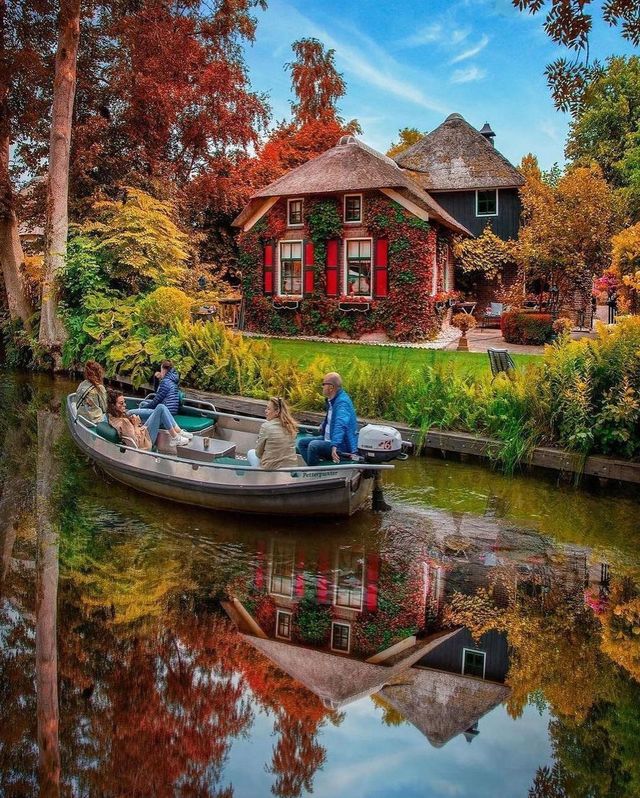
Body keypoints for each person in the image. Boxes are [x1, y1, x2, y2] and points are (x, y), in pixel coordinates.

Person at [297, 372, 358, 466]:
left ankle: (313, 474)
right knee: (302, 443)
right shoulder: (333, 400)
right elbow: (331, 419)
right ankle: (315, 467)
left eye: (323, 384)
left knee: (313, 445)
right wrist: (323, 425)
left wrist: (335, 445)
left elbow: (340, 424)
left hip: (341, 444)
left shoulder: (342, 403)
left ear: (331, 387)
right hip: (329, 439)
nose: (322, 387)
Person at [106, 389, 189, 448]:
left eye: (124, 402)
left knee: (161, 409)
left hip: (142, 433)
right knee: (160, 408)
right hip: (145, 441)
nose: (124, 405)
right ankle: (176, 436)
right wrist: (135, 424)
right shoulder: (123, 422)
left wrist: (134, 422)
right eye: (121, 403)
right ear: (113, 406)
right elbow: (136, 441)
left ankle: (178, 432)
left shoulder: (112, 416)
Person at [138, 359, 193, 440]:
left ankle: (140, 434)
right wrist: (157, 379)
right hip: (172, 411)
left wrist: (143, 408)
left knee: (133, 411)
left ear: (164, 369)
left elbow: (156, 401)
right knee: (145, 403)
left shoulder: (166, 382)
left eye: (161, 369)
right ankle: (179, 433)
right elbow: (158, 393)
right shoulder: (172, 380)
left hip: (166, 411)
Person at [247, 397, 299, 469]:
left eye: (268, 409)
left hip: (272, 471)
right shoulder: (291, 426)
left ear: (277, 412)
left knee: (251, 453)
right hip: (290, 469)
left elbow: (258, 453)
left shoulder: (266, 427)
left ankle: (258, 476)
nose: (265, 411)